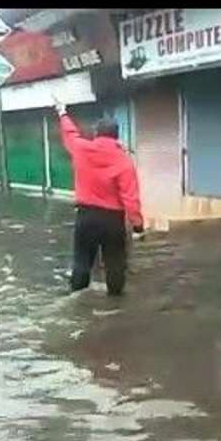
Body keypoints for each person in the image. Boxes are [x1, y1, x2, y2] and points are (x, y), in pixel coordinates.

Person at [53, 98, 144, 296]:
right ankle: (116, 306)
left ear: (96, 134)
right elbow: (130, 197)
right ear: (117, 136)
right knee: (115, 264)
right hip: (113, 220)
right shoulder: (124, 161)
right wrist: (137, 226)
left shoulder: (81, 149)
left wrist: (62, 113)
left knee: (82, 262)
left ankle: (78, 300)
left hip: (86, 216)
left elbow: (70, 133)